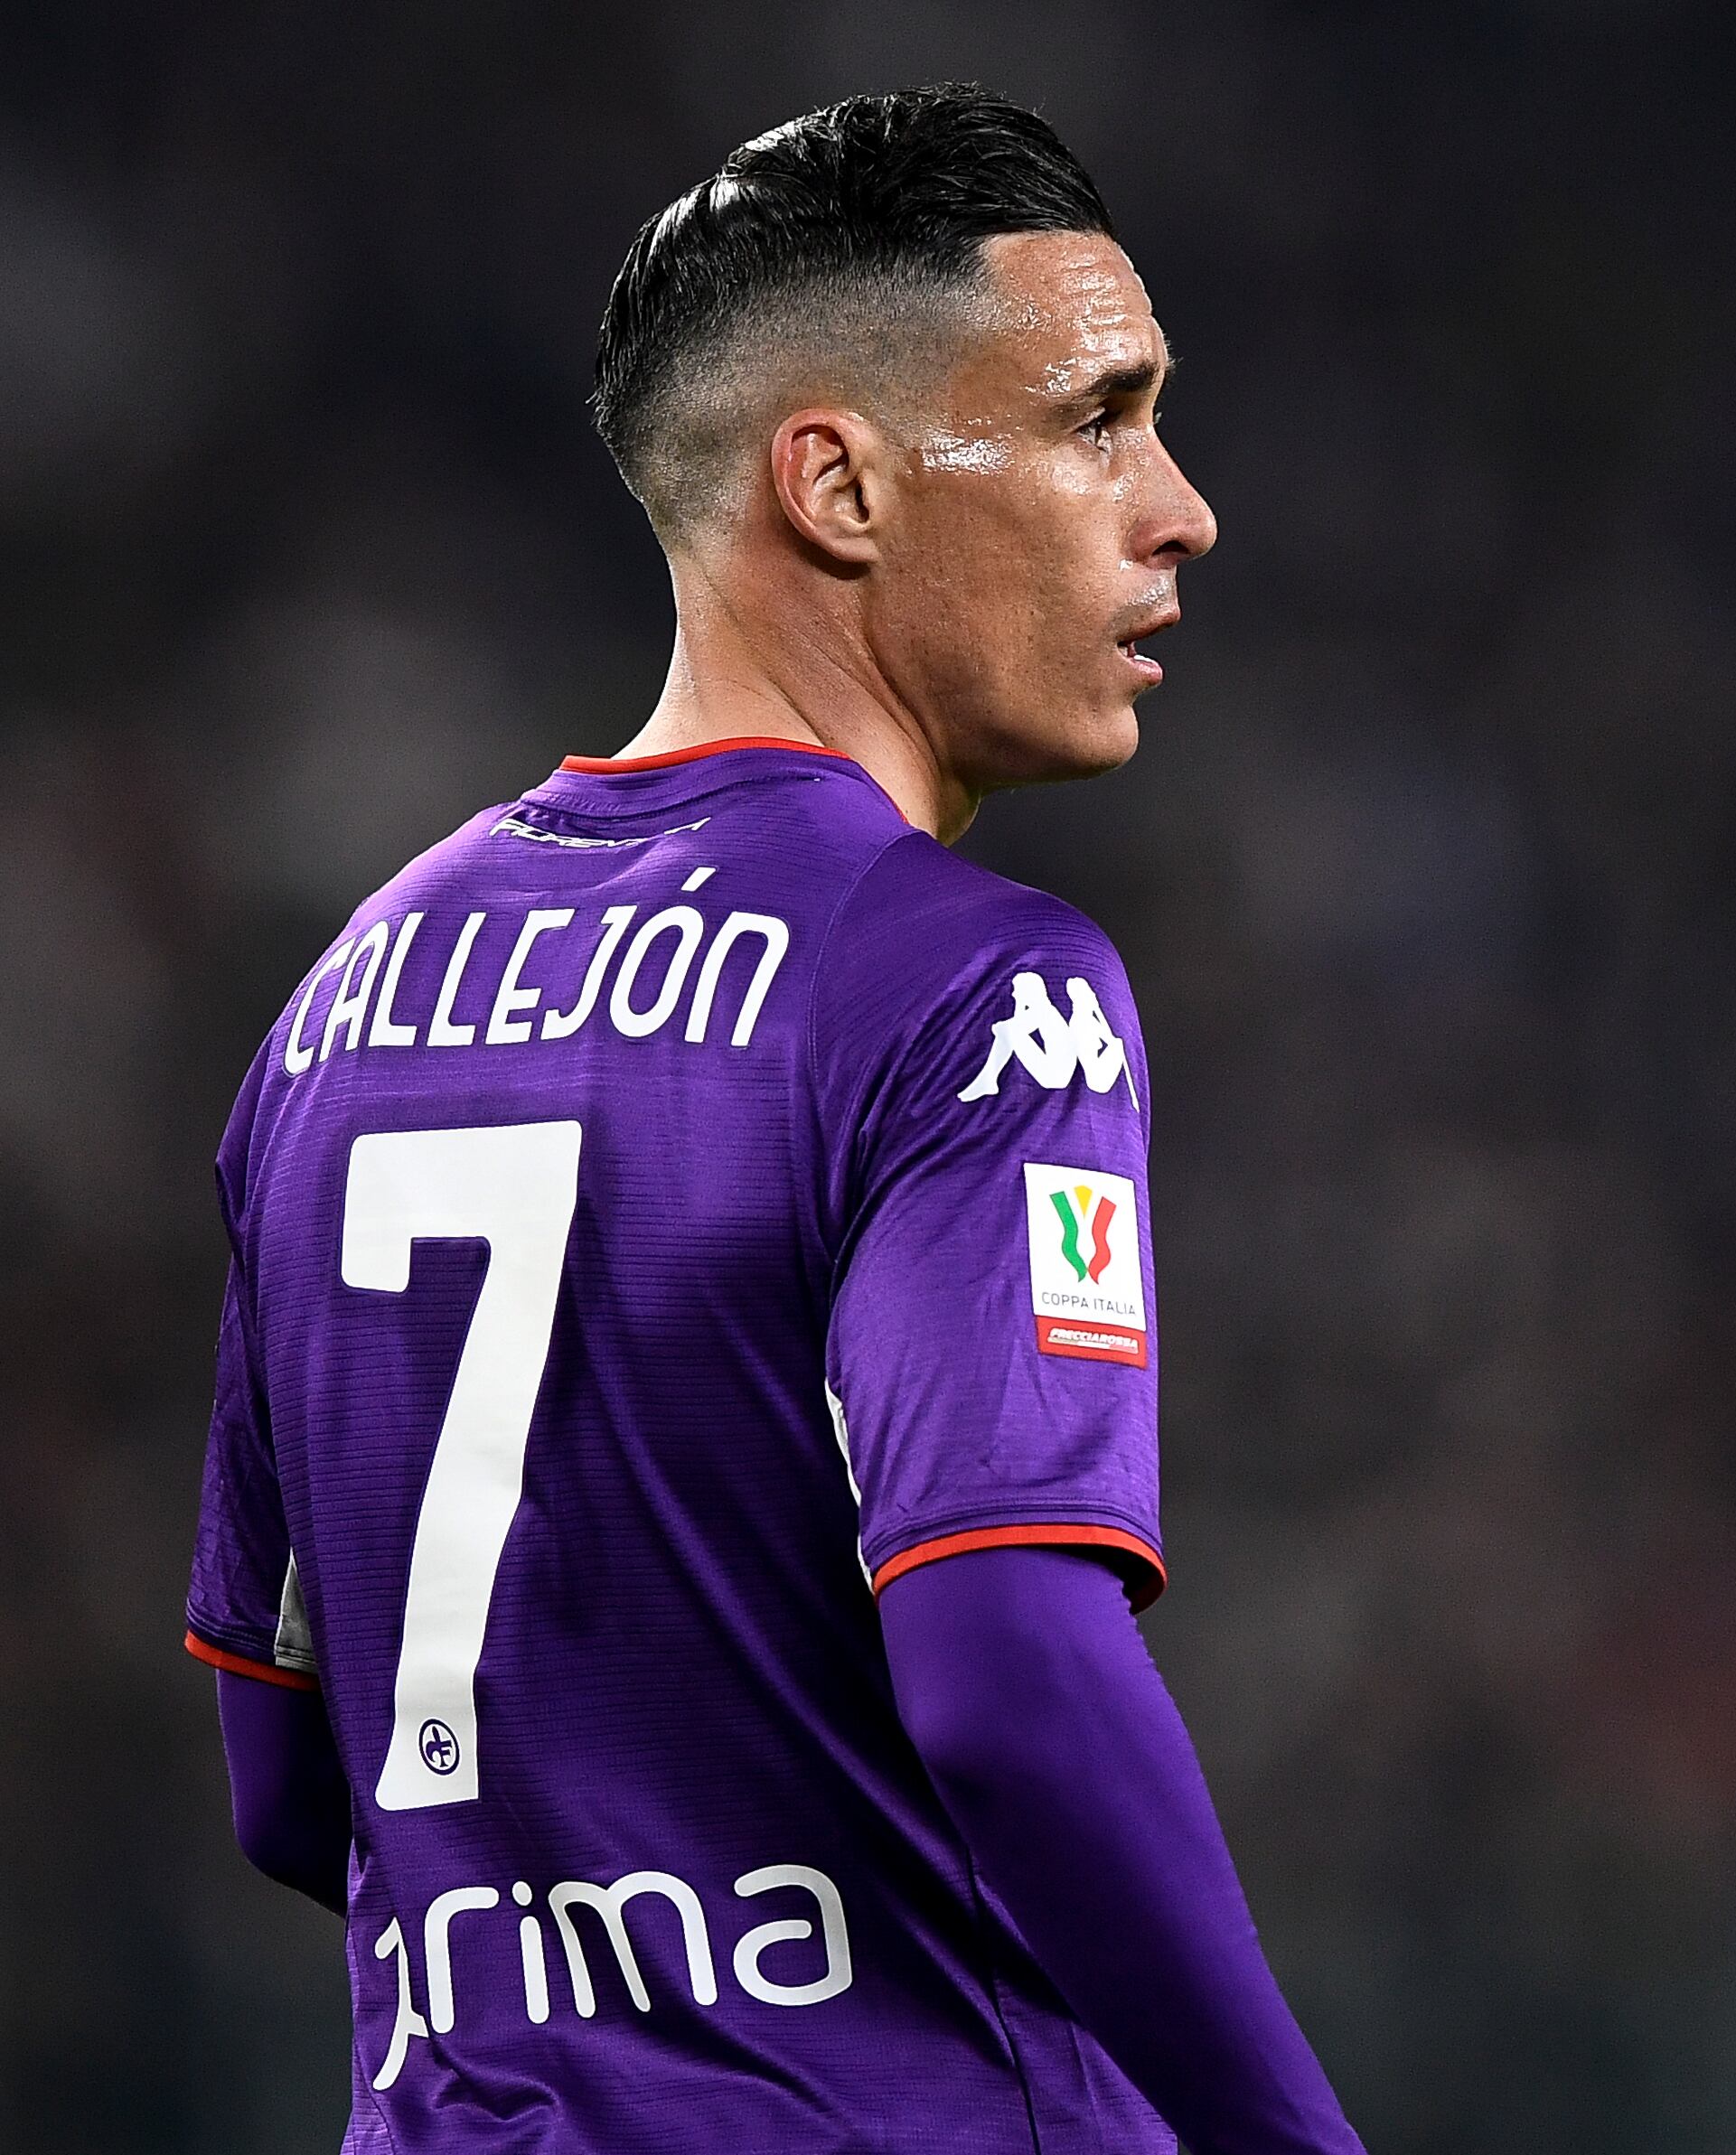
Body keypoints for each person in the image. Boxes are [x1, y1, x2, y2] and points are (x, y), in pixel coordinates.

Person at [183, 84, 1363, 2154]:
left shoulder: (334, 1015)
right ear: (836, 484)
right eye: (1100, 419)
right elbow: (1011, 1672)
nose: (1179, 508)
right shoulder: (968, 986)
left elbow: (289, 1776)